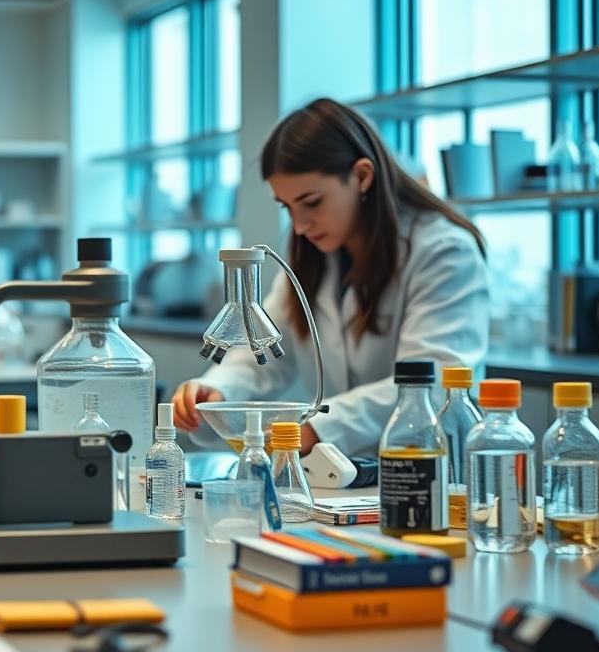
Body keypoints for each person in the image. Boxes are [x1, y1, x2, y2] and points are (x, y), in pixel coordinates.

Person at [172, 98, 489, 456]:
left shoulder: (444, 252)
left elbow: (431, 382)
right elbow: (268, 353)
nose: (300, 226)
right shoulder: (312, 257)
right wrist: (219, 392)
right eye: (288, 207)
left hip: (430, 463)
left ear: (362, 176)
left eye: (312, 202)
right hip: (341, 474)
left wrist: (318, 427)